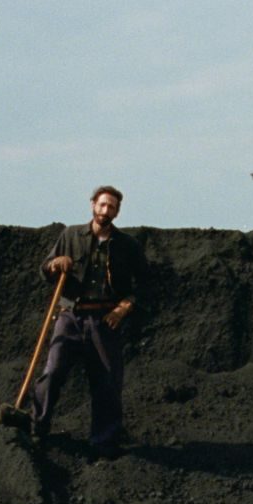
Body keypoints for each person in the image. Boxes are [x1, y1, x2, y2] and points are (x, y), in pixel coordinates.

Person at [31, 185, 149, 459]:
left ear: (118, 212)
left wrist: (124, 307)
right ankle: (37, 428)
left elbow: (145, 283)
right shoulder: (71, 235)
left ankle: (104, 443)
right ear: (93, 205)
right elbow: (45, 270)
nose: (106, 211)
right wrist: (54, 264)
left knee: (107, 381)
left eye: (112, 207)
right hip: (70, 316)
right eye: (102, 205)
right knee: (53, 371)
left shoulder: (127, 246)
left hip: (104, 320)